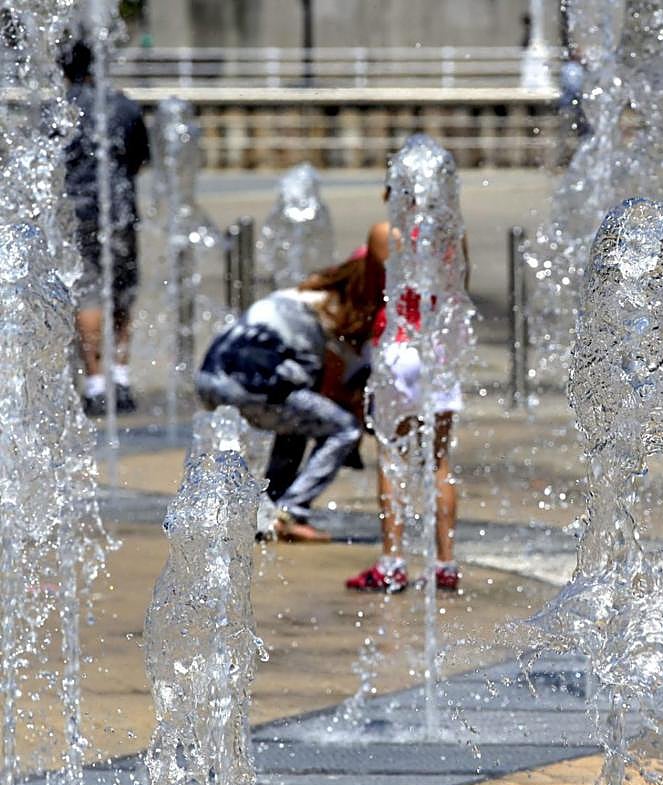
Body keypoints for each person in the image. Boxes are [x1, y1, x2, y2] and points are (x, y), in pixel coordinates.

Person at [195, 256, 382, 542]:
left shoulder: (295, 297)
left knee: (299, 423)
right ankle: (291, 512)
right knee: (344, 428)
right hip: (250, 387)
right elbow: (339, 388)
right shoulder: (333, 313)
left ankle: (266, 513)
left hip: (209, 380)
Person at [346, 194, 471, 594]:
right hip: (438, 352)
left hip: (399, 348)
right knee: (438, 462)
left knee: (392, 459)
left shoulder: (385, 233)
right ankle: (445, 563)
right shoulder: (455, 237)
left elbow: (369, 290)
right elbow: (459, 288)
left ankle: (393, 563)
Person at [60, 39, 151, 416]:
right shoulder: (122, 105)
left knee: (89, 294)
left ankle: (96, 383)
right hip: (120, 211)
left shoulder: (58, 110)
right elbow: (140, 157)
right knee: (122, 291)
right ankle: (121, 378)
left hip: (79, 213)